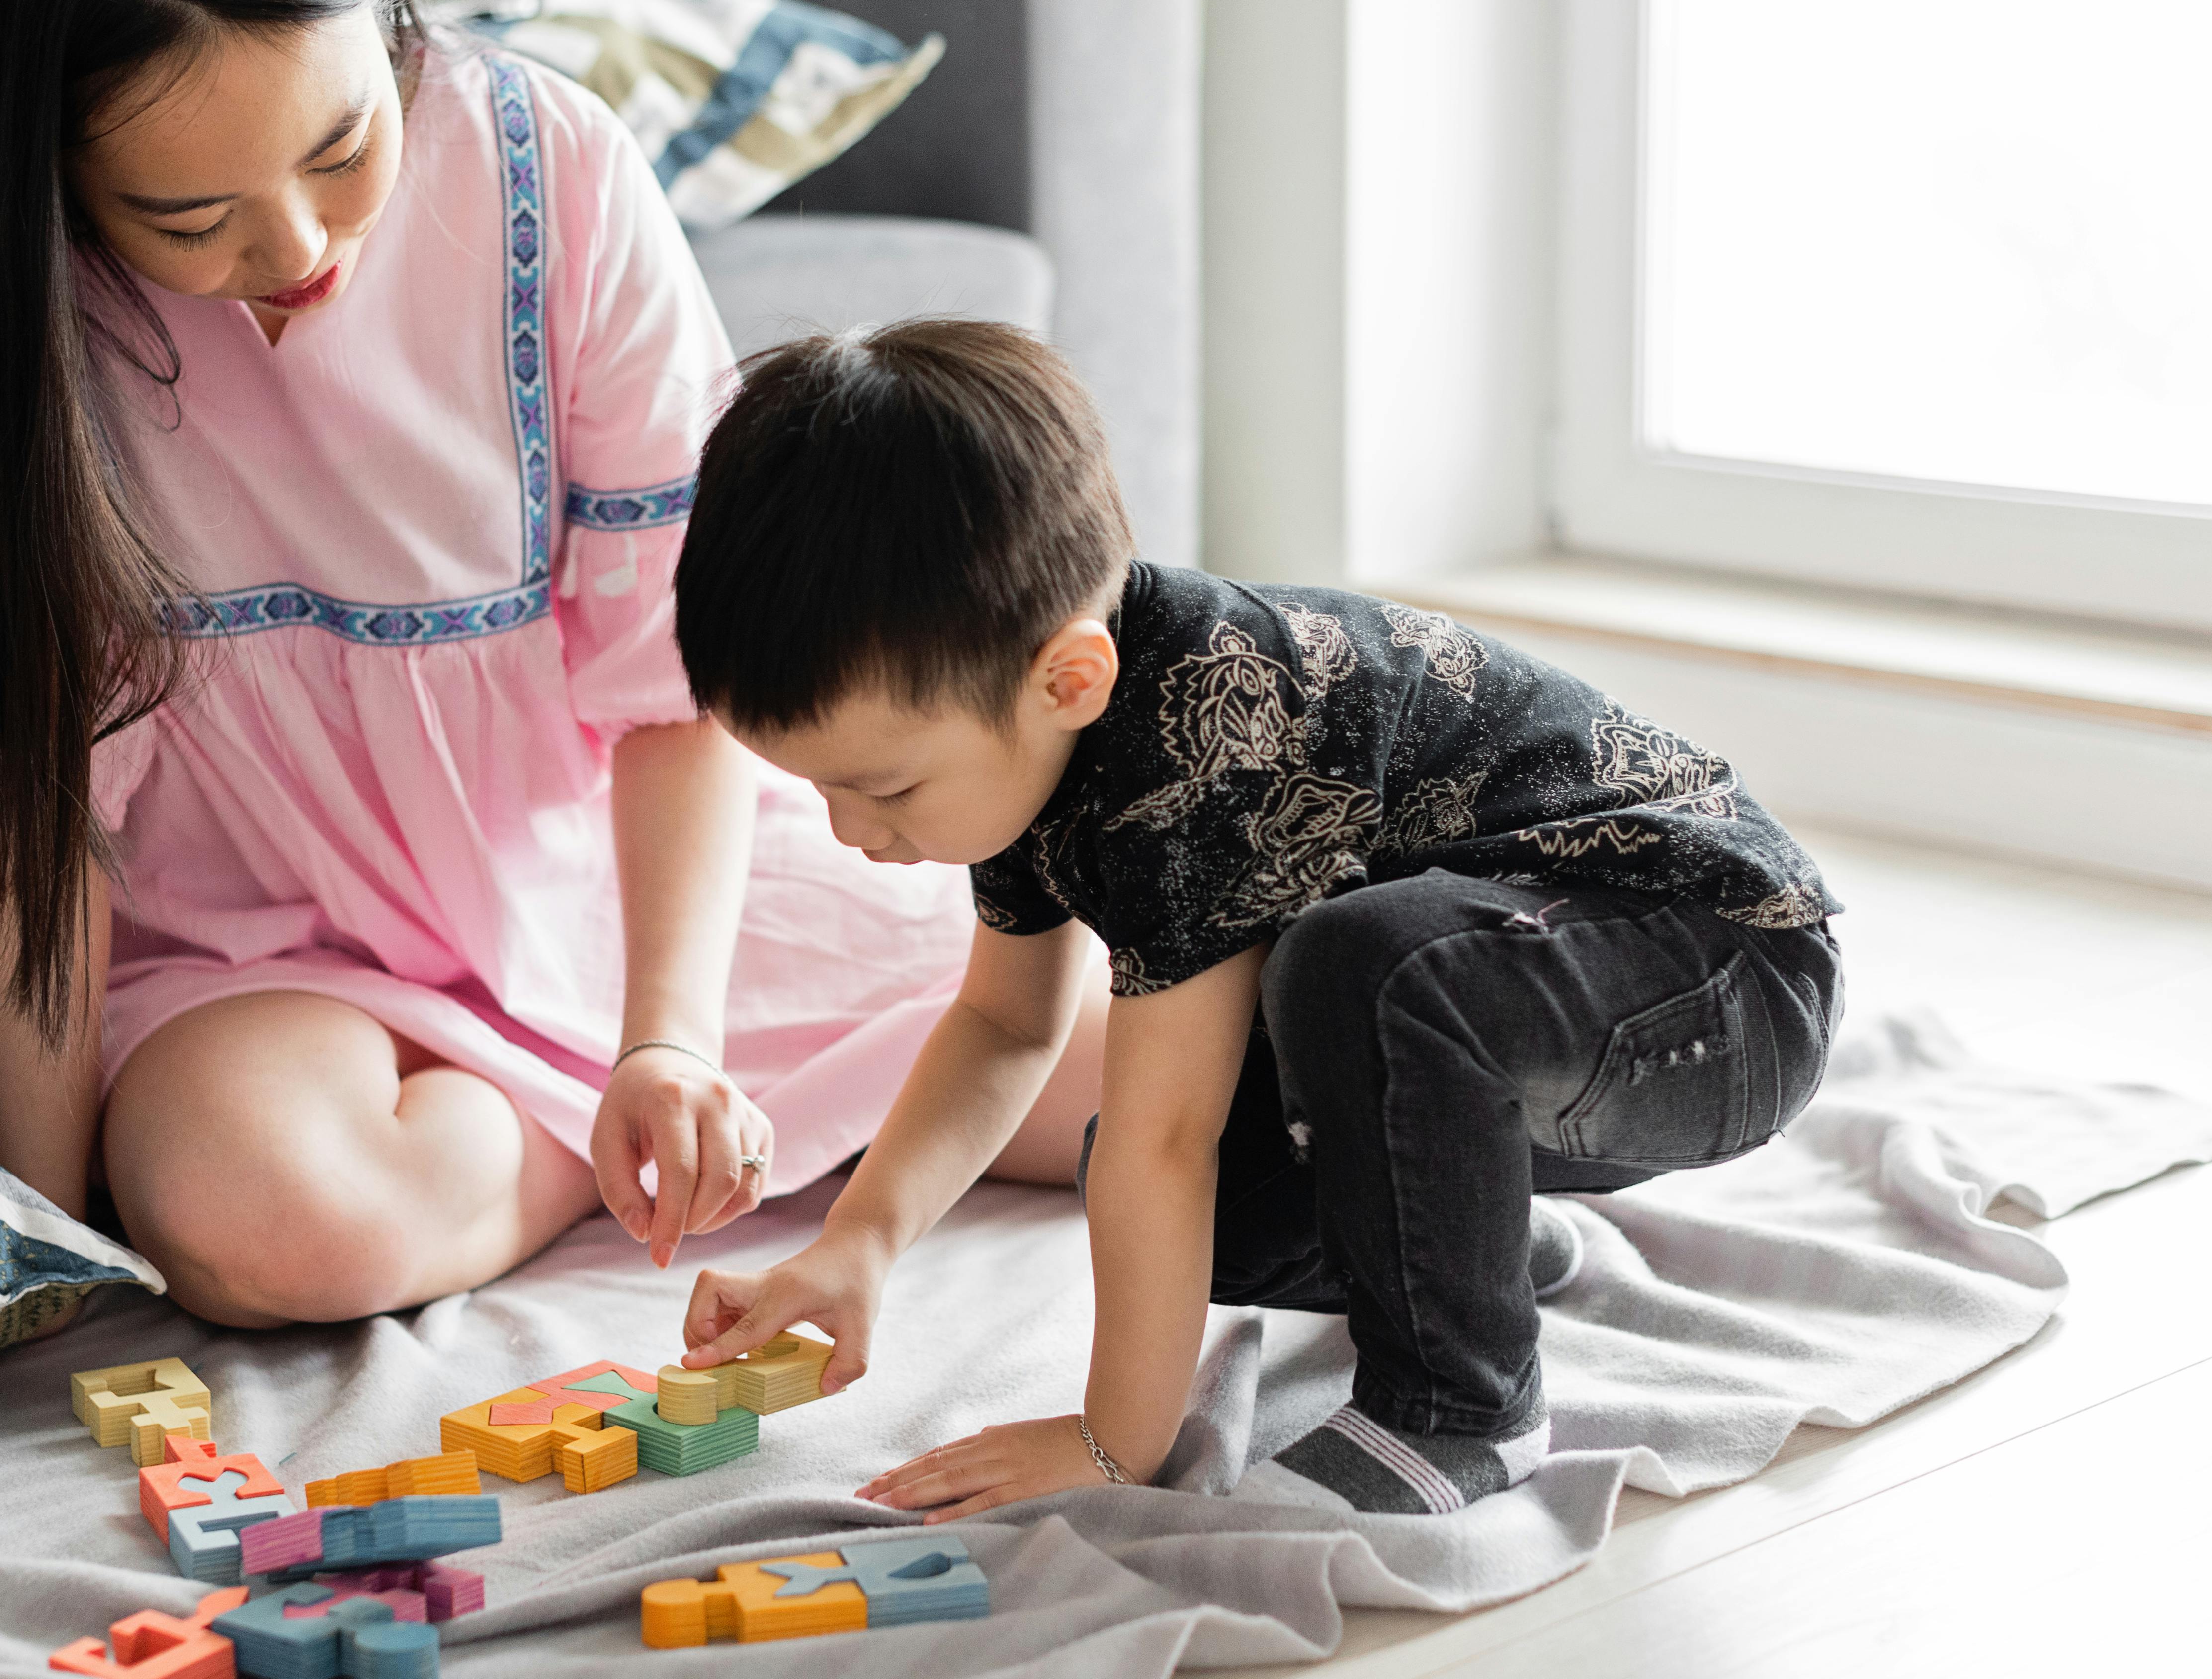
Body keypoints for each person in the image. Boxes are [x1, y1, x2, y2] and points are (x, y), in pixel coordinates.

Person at [0, 0, 1102, 1327]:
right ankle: (607, 1147)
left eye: (341, 145)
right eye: (189, 216)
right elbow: (20, 811)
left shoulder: (548, 162)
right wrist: (40, 1215)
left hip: (624, 894)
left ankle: (615, 1115)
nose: (295, 250)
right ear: (51, 183)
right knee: (273, 1226)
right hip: (263, 964)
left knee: (1152, 1056)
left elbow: (670, 686)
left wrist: (668, 1042)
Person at [667, 320, 1846, 1516]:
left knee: (1346, 980)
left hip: (1720, 977)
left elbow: (1159, 1137)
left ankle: (1461, 1405)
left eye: (882, 785)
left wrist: (1115, 1439)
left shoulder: (1198, 742)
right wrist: (857, 1239)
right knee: (1211, 1195)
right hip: (1548, 1007)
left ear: (1067, 677)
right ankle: (1474, 1260)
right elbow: (1006, 1024)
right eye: (814, 785)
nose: (847, 829)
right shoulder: (1037, 730)